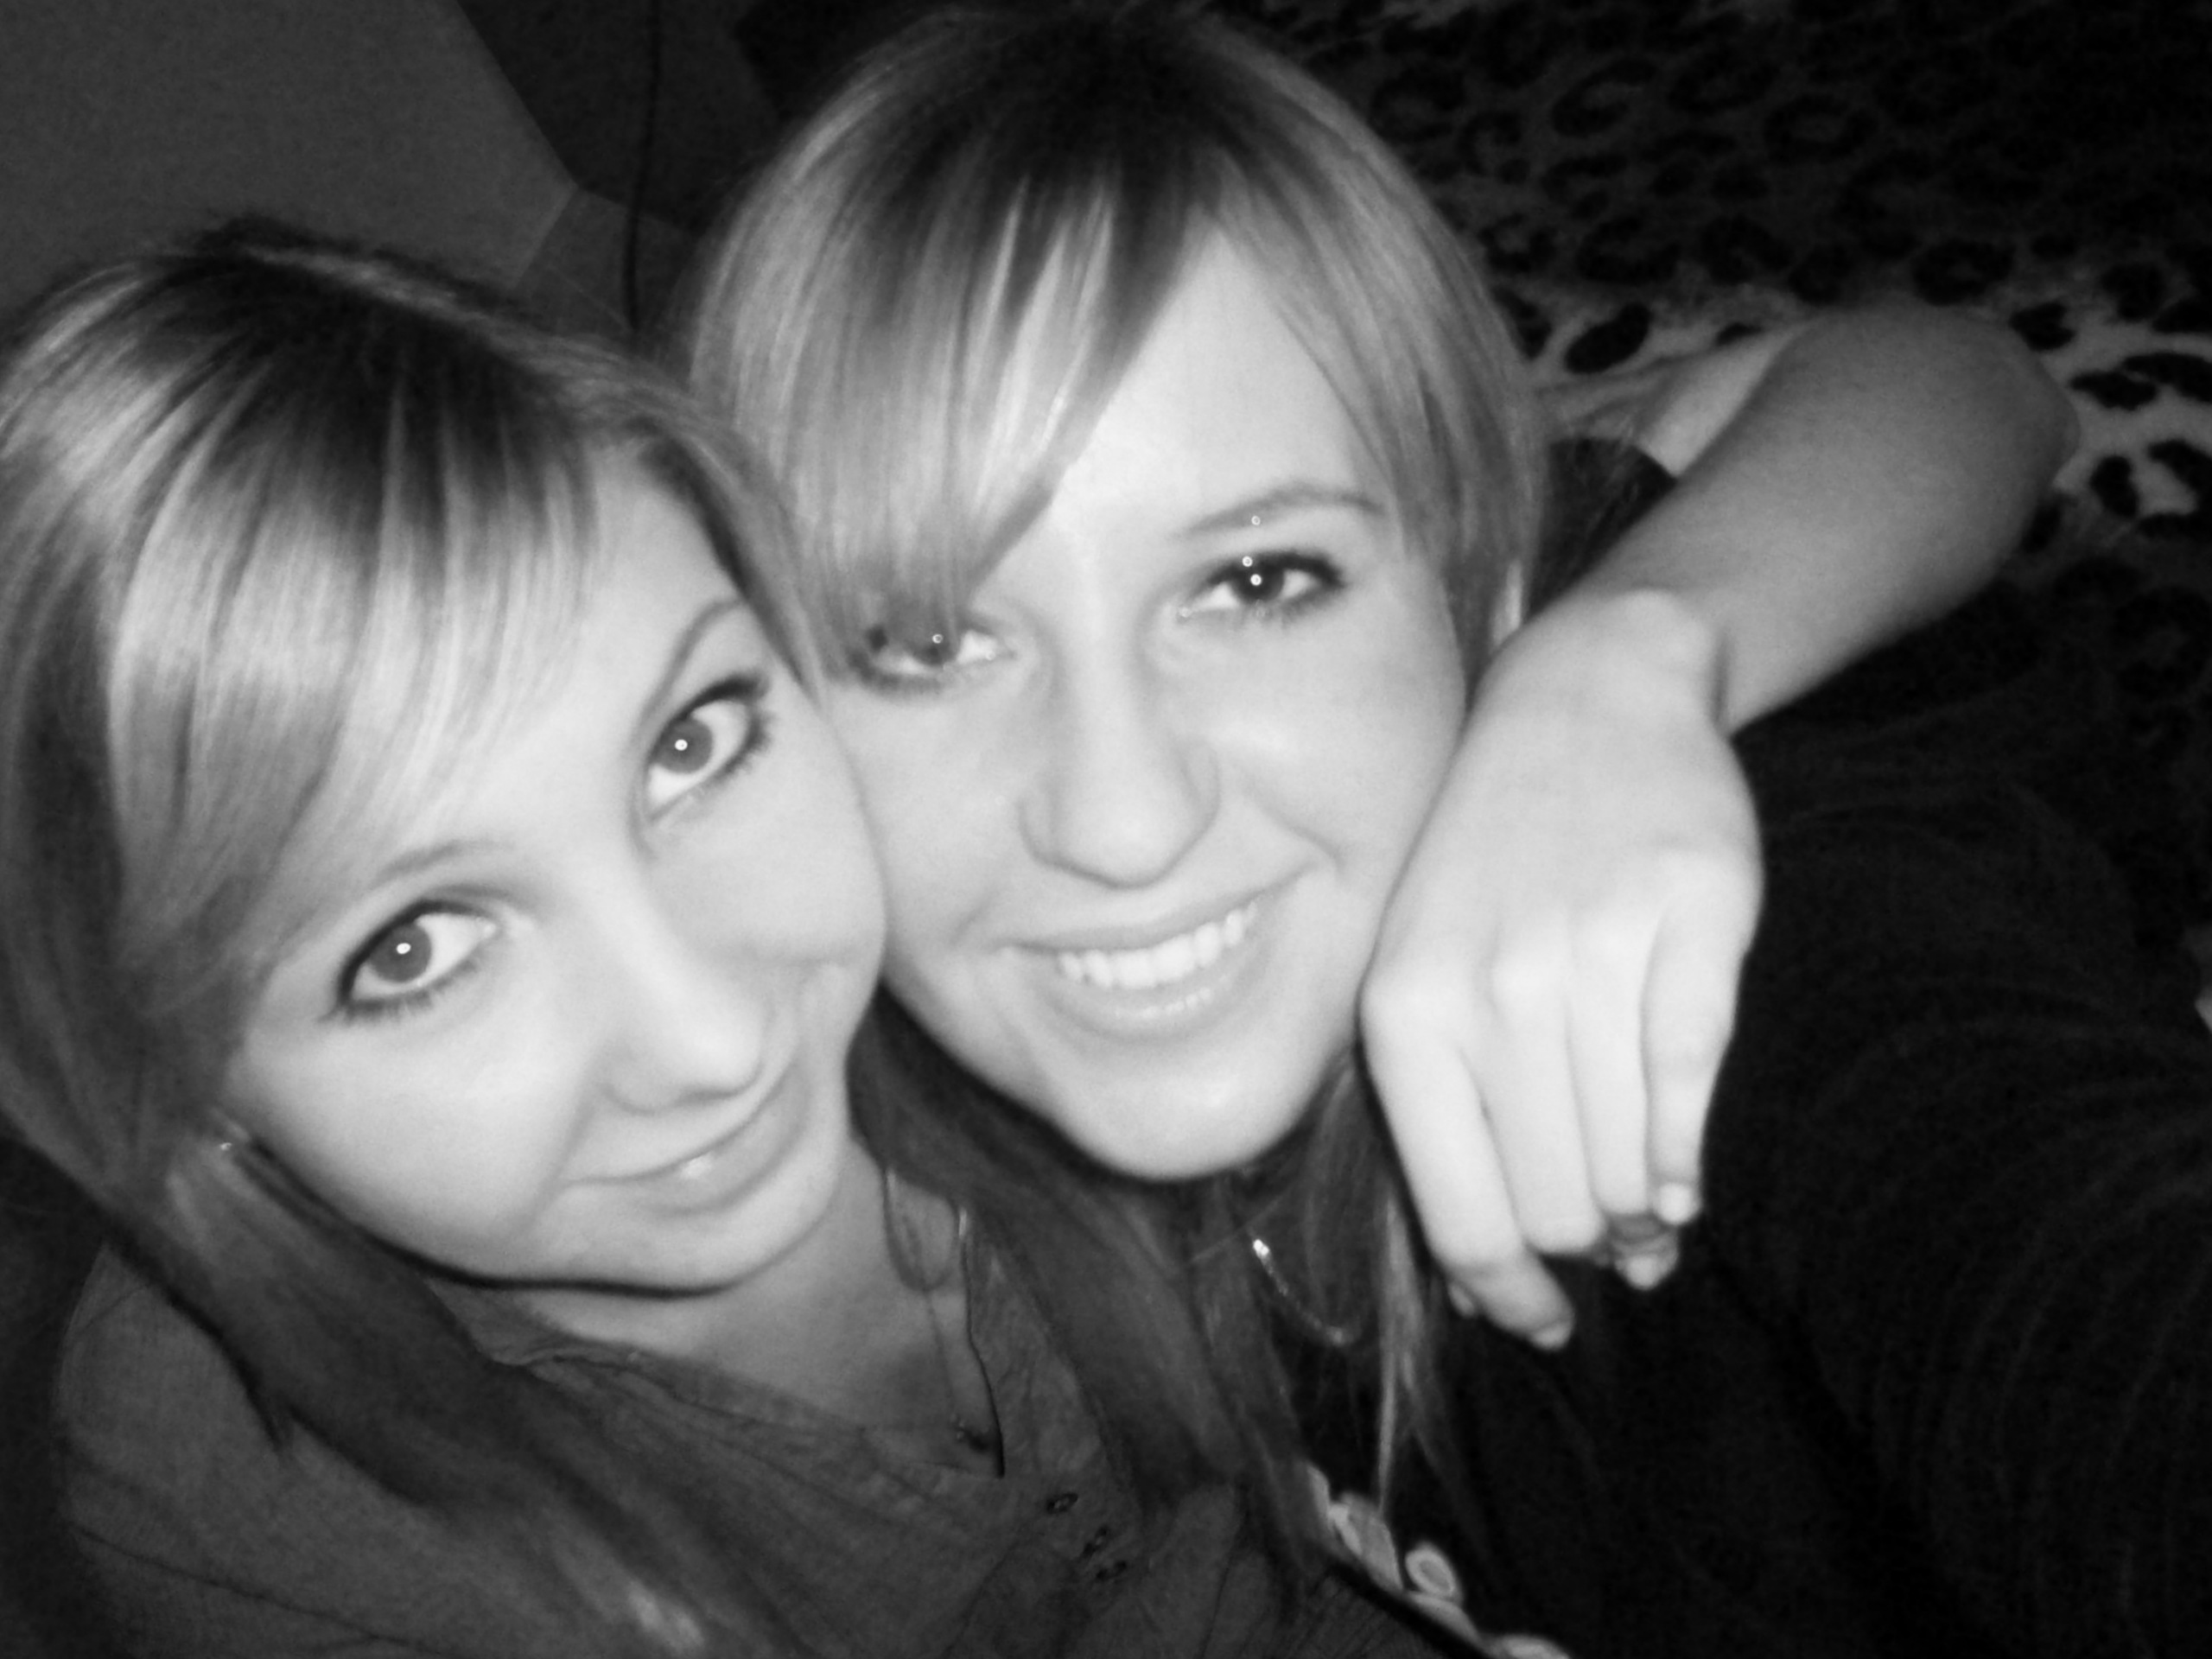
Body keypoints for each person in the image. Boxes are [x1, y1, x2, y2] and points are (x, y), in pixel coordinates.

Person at [680, 4, 2212, 1654]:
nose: (1121, 821)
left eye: (1255, 581)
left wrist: (1632, 657)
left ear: (1482, 589)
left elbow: (1966, 383)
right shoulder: (828, 1106)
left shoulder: (1740, 963)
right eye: (925, 642)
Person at [4, 222, 1452, 1659]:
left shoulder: (1043, 890)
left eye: (691, 746)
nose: (713, 1039)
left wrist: (1587, 684)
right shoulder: (240, 1526)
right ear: (170, 1083)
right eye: (413, 951)